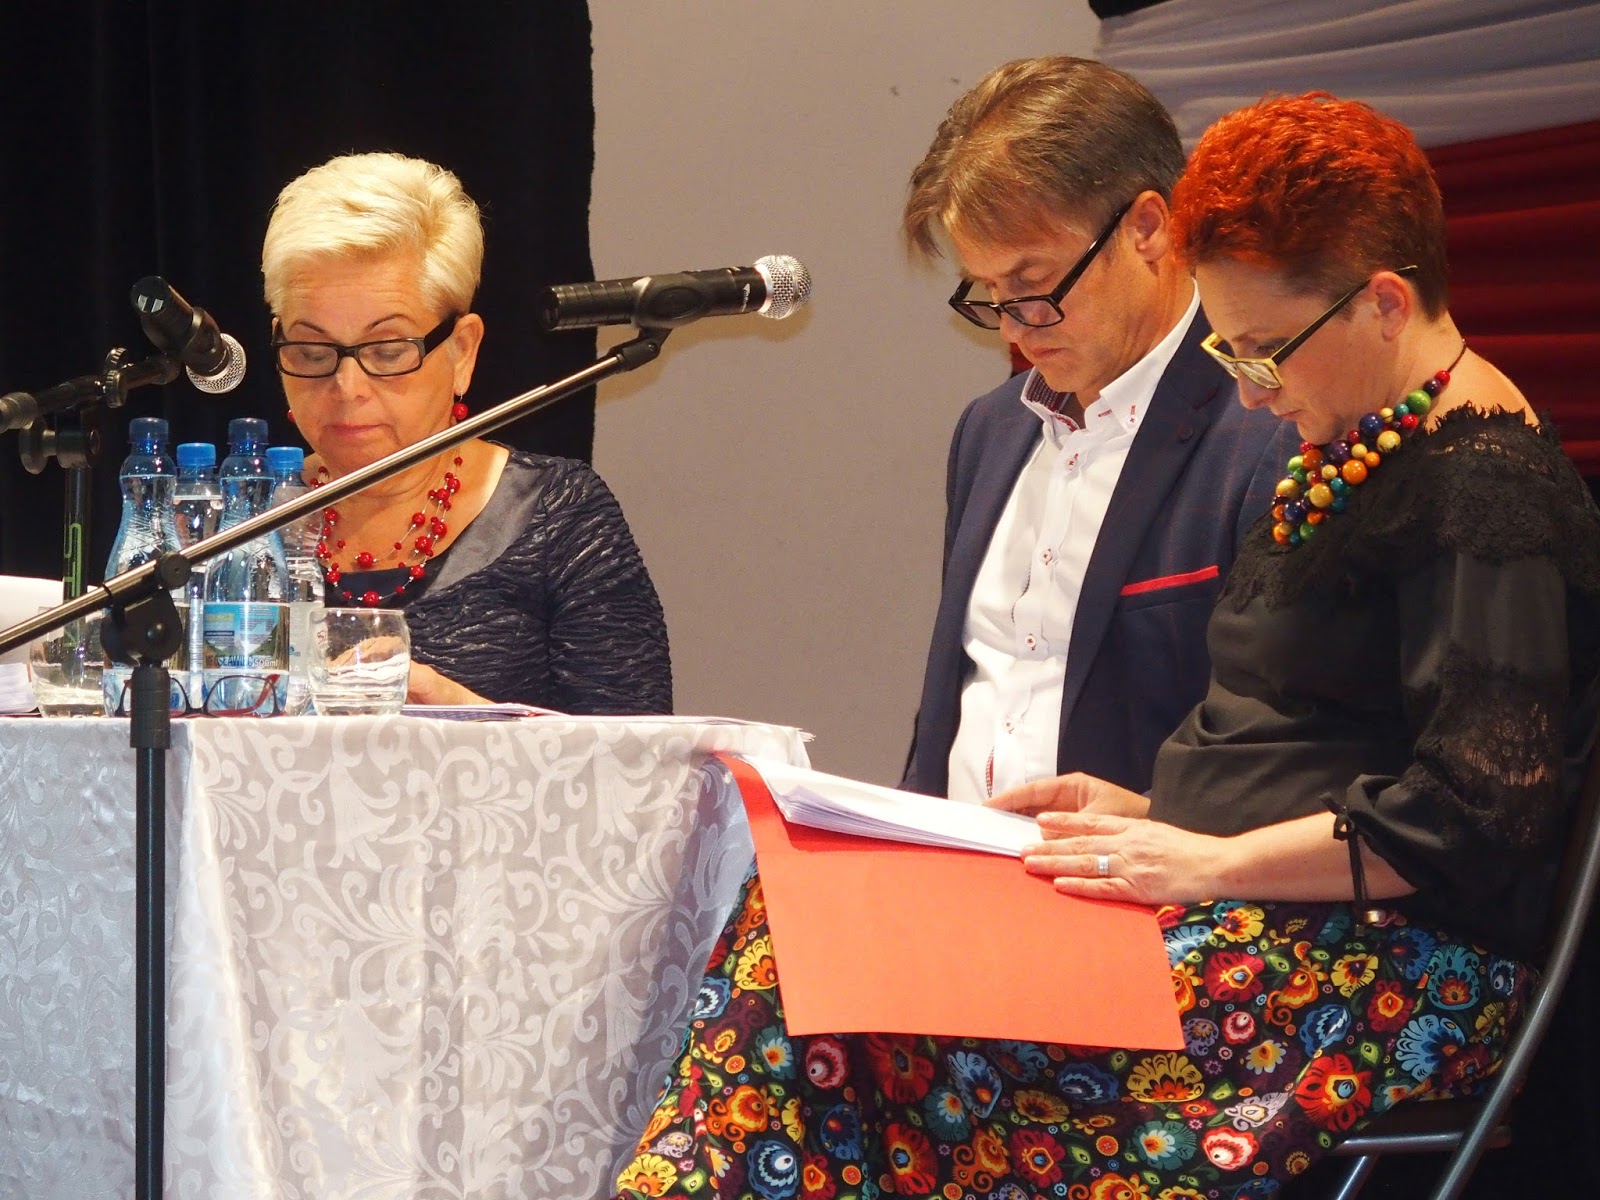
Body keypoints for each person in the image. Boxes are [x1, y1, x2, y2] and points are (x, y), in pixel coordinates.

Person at [613, 95, 1600, 1198]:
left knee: (855, 1016)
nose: (1249, 390)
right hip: (1255, 915)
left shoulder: (1484, 484)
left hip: (1370, 970)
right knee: (798, 951)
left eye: (1264, 351)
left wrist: (1205, 859)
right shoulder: (1368, 433)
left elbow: (1472, 820)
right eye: (1231, 350)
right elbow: (1323, 740)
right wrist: (1149, 810)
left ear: (1382, 304)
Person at [897, 57, 1295, 803]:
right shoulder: (989, 430)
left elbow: (1286, 756)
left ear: (1147, 227)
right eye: (989, 292)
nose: (1014, 328)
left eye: (1032, 283)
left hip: (1138, 869)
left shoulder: (1268, 423)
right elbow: (964, 693)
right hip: (954, 857)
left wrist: (1159, 826)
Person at [261, 151, 672, 714]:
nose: (347, 386)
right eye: (312, 352)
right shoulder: (238, 520)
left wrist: (462, 712)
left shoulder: (557, 515)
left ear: (462, 351)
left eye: (388, 351)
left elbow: (643, 757)